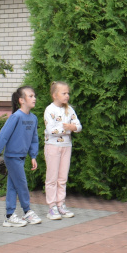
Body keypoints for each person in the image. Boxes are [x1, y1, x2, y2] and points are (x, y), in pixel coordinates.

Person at [0, 86, 40, 227]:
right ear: (21, 100)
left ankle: (9, 215)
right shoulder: (16, 116)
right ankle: (27, 211)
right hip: (12, 156)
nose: (34, 98)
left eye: (34, 96)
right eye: (30, 96)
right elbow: (3, 135)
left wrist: (33, 156)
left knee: (13, 185)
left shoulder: (33, 118)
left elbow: (34, 138)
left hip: (22, 156)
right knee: (21, 183)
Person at [43, 81, 81, 220]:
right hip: (53, 146)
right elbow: (51, 130)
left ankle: (61, 204)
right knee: (52, 178)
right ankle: (52, 206)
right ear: (55, 95)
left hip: (66, 146)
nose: (67, 96)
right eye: (64, 93)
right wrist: (68, 128)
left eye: (68, 93)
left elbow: (78, 126)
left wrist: (72, 127)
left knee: (62, 178)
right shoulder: (49, 110)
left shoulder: (69, 110)